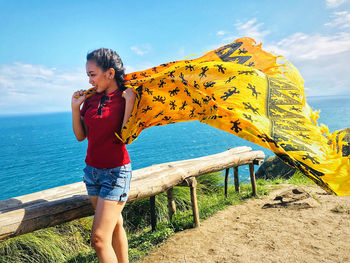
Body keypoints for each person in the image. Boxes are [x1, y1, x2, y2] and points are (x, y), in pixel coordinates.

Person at [71, 48, 136, 263]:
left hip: (116, 172)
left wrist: (129, 104)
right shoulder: (90, 100)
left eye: (92, 74)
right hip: (92, 173)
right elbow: (81, 136)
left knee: (99, 239)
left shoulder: (127, 96)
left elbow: (126, 137)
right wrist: (74, 108)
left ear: (109, 73)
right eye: (88, 75)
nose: (89, 81)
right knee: (115, 226)